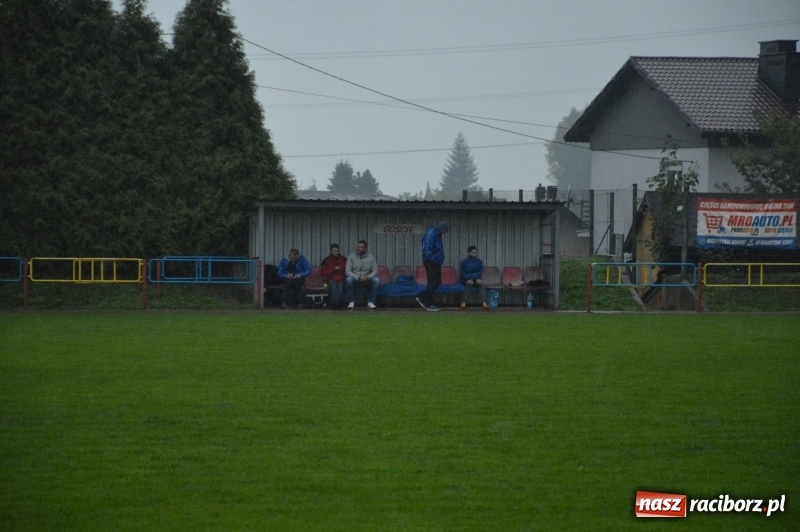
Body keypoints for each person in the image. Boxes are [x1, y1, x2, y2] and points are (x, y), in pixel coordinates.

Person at [417, 221, 448, 311]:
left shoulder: (437, 234)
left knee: (437, 282)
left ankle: (422, 297)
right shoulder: (431, 234)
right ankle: (429, 303)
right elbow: (427, 248)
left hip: (436, 262)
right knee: (432, 281)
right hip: (430, 262)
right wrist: (431, 259)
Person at [344, 240, 380, 310]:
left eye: (360, 247)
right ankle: (351, 302)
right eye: (358, 247)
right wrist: (358, 277)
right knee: (348, 280)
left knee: (376, 280)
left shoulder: (370, 257)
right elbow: (347, 272)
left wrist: (368, 277)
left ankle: (371, 302)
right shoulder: (351, 257)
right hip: (355, 279)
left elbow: (375, 270)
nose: (358, 248)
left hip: (367, 279)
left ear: (365, 248)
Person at [459, 245, 488, 309]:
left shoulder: (479, 262)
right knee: (470, 283)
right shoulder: (464, 262)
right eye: (473, 252)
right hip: (466, 280)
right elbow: (462, 274)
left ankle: (484, 302)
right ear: (469, 253)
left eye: (475, 252)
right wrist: (470, 277)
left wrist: (474, 277)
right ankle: (464, 302)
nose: (475, 254)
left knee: (480, 282)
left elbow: (480, 272)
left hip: (476, 279)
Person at [319, 243, 346, 309]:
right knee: (333, 286)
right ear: (331, 251)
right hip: (331, 279)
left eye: (337, 251)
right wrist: (333, 269)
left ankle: (335, 304)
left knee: (340, 287)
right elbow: (322, 272)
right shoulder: (327, 260)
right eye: (334, 251)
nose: (336, 252)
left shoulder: (343, 259)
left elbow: (346, 270)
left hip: (341, 279)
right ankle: (337, 304)